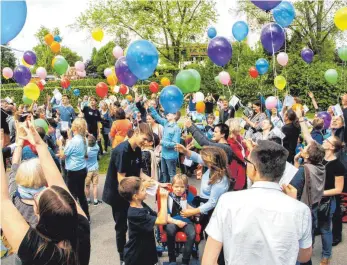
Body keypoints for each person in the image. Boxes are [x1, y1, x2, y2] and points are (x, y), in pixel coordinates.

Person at [202, 140, 312, 265]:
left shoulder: (227, 201)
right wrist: (292, 203)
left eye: (247, 161)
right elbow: (304, 257)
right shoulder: (300, 210)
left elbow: (208, 260)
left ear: (253, 168)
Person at [0, 121, 91, 265]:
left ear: (39, 214)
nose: (36, 194)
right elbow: (59, 183)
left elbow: (2, 201)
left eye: (37, 198)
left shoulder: (35, 250)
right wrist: (39, 144)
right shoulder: (81, 229)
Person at [102, 123, 159, 264]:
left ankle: (144, 250)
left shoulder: (137, 149)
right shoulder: (122, 151)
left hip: (133, 191)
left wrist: (154, 182)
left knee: (145, 217)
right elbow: (122, 180)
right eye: (144, 139)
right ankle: (122, 256)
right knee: (121, 227)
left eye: (148, 141)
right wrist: (142, 185)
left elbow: (139, 172)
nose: (145, 143)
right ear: (137, 132)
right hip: (119, 195)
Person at [296, 110, 345, 264]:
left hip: (326, 202)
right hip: (312, 200)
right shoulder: (319, 156)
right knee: (309, 230)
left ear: (331, 147)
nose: (323, 141)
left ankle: (326, 255)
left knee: (324, 229)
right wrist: (301, 119)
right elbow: (308, 137)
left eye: (327, 141)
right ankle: (306, 256)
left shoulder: (338, 165)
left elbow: (338, 189)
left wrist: (320, 192)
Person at [175, 145, 230, 234]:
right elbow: (196, 157)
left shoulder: (220, 180)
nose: (203, 160)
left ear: (212, 161)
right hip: (204, 207)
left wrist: (193, 211)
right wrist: (185, 151)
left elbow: (212, 203)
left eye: (205, 159)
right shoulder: (211, 167)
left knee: (210, 233)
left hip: (212, 212)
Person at [290, 140, 326, 265]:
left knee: (298, 249)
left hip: (302, 211)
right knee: (307, 244)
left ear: (307, 156)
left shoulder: (304, 169)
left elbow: (292, 190)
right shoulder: (321, 167)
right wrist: (297, 161)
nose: (303, 148)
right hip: (314, 208)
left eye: (305, 148)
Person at [119, 177, 168, 265]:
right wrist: (164, 199)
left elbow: (157, 216)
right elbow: (162, 220)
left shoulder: (141, 204)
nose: (145, 190)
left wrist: (175, 221)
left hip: (146, 251)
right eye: (142, 189)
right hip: (136, 256)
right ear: (135, 196)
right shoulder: (135, 214)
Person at [57, 118, 90, 221]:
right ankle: (86, 216)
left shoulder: (73, 142)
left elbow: (63, 156)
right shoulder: (84, 139)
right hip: (82, 169)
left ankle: (74, 217)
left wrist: (60, 145)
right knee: (81, 194)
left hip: (73, 171)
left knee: (72, 196)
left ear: (74, 128)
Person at [164, 174, 196, 265]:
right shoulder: (167, 197)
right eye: (176, 186)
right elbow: (166, 216)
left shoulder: (190, 196)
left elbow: (196, 211)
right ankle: (172, 259)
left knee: (192, 234)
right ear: (172, 186)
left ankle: (185, 260)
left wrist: (189, 207)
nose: (179, 189)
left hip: (187, 221)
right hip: (172, 220)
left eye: (182, 187)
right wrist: (176, 222)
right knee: (170, 230)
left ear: (186, 187)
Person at [148, 104, 181, 183]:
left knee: (171, 175)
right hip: (164, 154)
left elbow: (175, 144)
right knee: (164, 173)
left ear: (175, 116)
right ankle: (165, 190)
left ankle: (173, 191)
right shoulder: (166, 123)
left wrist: (162, 142)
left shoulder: (176, 128)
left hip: (171, 156)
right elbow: (157, 117)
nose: (167, 114)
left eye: (170, 113)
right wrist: (150, 107)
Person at [226, 119, 248, 190]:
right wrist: (249, 148)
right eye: (238, 125)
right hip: (236, 171)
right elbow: (242, 157)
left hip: (240, 169)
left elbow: (244, 146)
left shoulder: (238, 137)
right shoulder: (230, 142)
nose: (240, 127)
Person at [85, 135, 102, 206]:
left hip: (88, 170)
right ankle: (95, 201)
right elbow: (95, 140)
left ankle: (88, 200)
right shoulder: (97, 147)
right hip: (95, 168)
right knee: (95, 185)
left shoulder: (86, 151)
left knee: (87, 186)